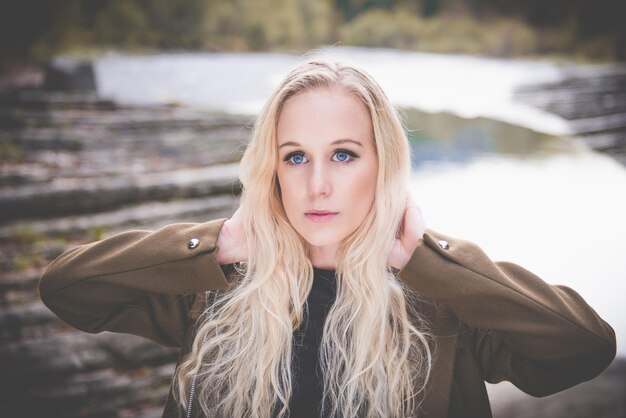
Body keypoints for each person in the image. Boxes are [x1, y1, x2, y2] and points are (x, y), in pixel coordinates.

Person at [39, 60, 616, 418]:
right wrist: (216, 244)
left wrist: (430, 261)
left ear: (383, 164)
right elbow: (68, 290)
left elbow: (584, 348)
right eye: (296, 158)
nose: (318, 185)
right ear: (273, 170)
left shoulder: (442, 308)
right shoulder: (217, 292)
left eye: (343, 154)